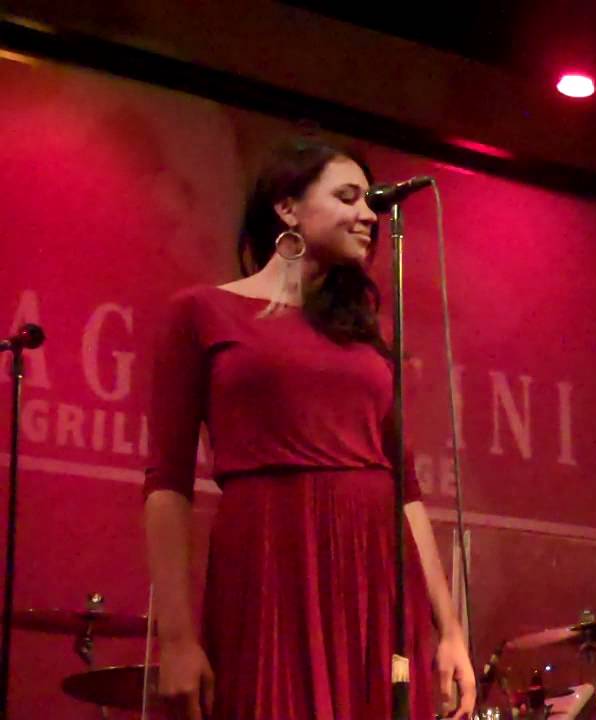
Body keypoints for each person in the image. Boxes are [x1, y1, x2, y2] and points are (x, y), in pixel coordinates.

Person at [143, 137, 476, 720]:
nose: (368, 214)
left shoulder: (364, 338)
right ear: (287, 207)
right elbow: (167, 484)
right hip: (271, 557)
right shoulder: (201, 312)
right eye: (347, 197)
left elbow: (407, 490)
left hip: (374, 567)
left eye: (370, 201)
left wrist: (449, 630)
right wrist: (175, 637)